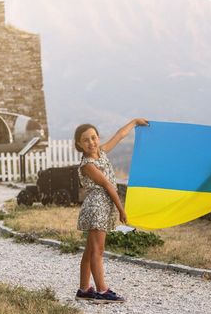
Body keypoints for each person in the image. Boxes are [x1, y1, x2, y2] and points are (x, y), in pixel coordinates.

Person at [73, 118, 149, 303]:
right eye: (86, 140)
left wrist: (134, 122)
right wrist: (121, 209)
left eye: (93, 137)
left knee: (90, 251)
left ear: (98, 138)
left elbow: (120, 135)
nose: (91, 142)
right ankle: (102, 291)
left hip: (102, 206)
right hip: (97, 207)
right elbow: (107, 184)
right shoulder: (88, 165)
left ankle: (84, 289)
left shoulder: (102, 152)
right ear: (79, 145)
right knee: (97, 251)